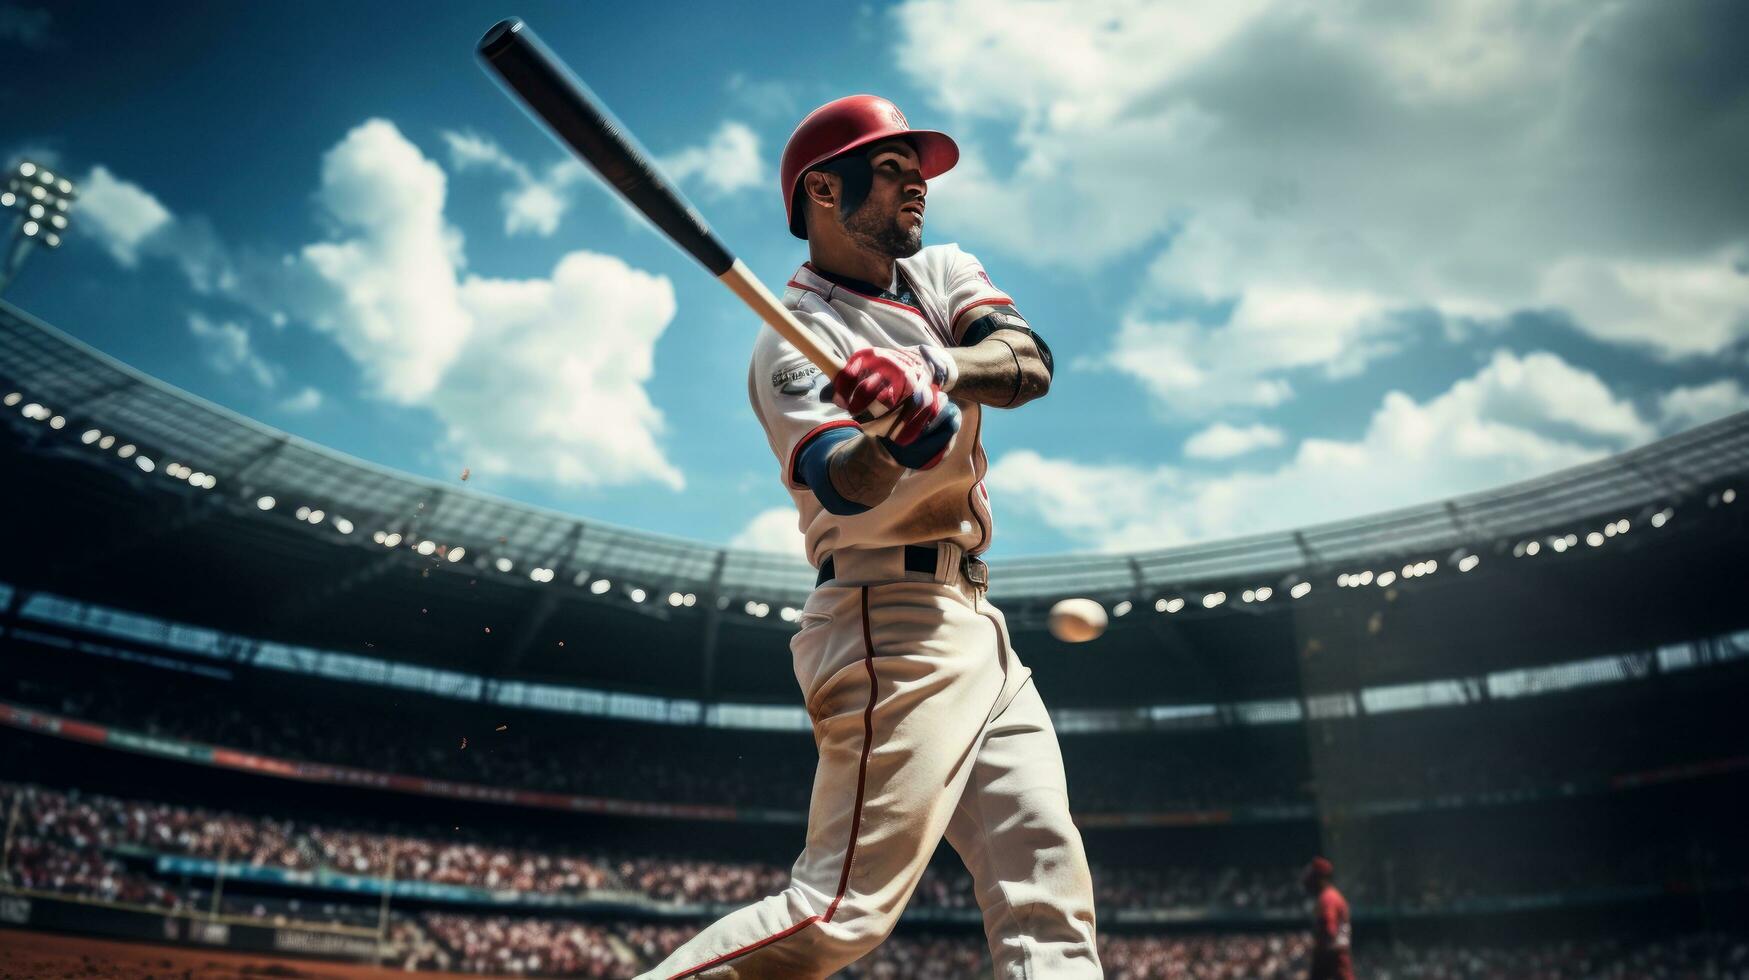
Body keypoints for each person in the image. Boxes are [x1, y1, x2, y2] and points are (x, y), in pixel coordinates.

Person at [638, 95, 1101, 979]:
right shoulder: (791, 343)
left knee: (1046, 891)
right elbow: (841, 485)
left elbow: (1027, 365)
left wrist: (938, 371)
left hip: (977, 623)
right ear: (823, 186)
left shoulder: (939, 270)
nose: (918, 182)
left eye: (916, 168)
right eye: (892, 168)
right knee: (838, 914)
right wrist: (892, 442)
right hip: (888, 620)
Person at [1303, 857, 1354, 980]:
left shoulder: (1327, 898)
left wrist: (1318, 949)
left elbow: (1329, 929)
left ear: (1320, 878)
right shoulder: (1332, 895)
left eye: (1313, 876)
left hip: (1333, 957)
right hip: (1336, 956)